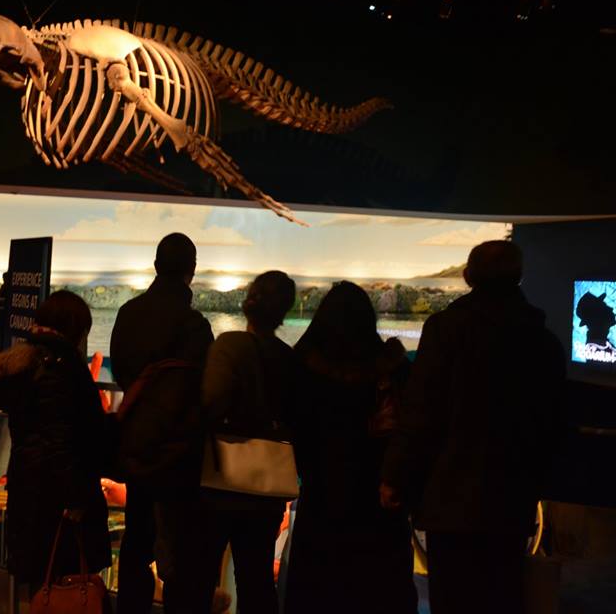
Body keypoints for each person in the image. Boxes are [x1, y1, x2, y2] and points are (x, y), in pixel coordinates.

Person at [380, 241, 565, 614]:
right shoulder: (543, 341)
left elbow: (421, 412)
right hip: (512, 497)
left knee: (453, 595)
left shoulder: (445, 331)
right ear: (519, 276)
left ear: (468, 276)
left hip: (449, 496)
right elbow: (551, 422)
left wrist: (395, 475)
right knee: (502, 594)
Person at [0, 291, 111, 598]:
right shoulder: (63, 368)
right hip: (58, 497)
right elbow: (64, 441)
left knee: (39, 577)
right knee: (67, 578)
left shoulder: (22, 365)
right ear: (73, 329)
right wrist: (77, 498)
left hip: (27, 485)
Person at [284, 281, 416, 614]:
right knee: (379, 589)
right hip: (379, 497)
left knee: (319, 589)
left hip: (322, 496)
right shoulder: (393, 369)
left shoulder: (304, 367)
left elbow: (292, 425)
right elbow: (411, 427)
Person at [110, 232, 215, 614]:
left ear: (155, 266)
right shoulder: (194, 325)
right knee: (179, 554)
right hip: (180, 454)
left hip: (137, 444)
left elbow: (122, 372)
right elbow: (205, 389)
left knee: (136, 542)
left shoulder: (128, 314)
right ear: (192, 270)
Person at [199, 271, 296, 612]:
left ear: (248, 302)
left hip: (220, 480)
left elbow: (210, 403)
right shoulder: (290, 358)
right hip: (266, 487)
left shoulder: (229, 346)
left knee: (201, 576)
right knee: (256, 581)